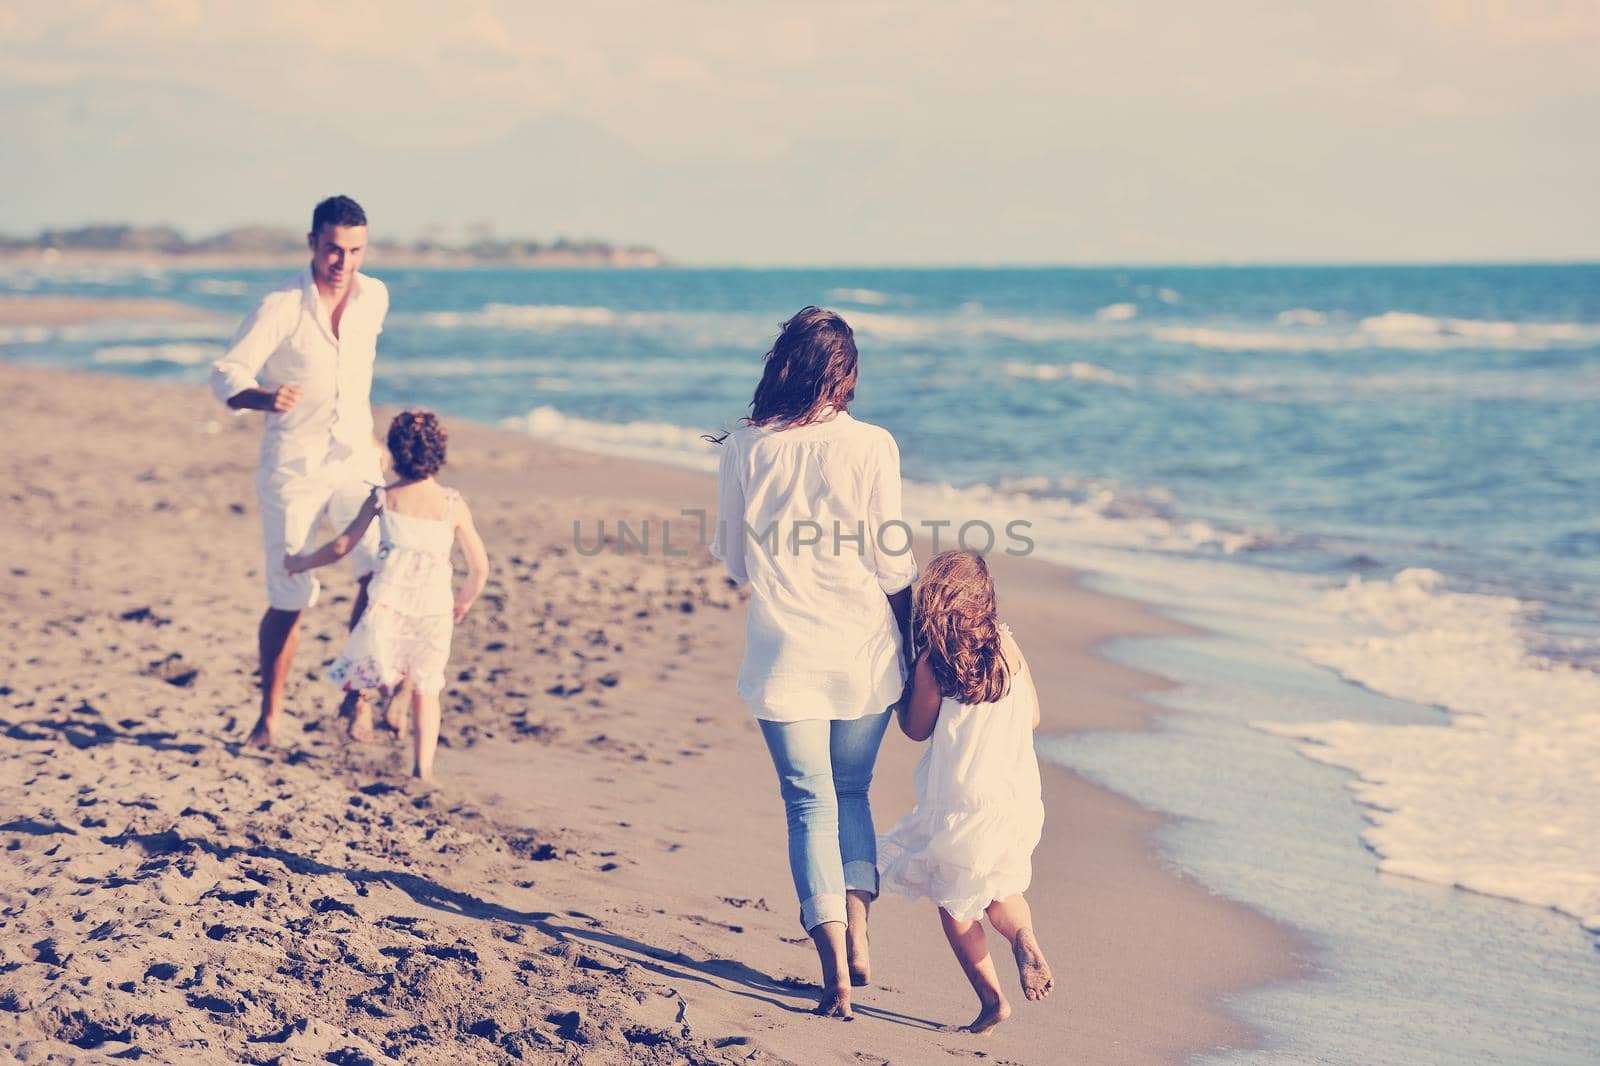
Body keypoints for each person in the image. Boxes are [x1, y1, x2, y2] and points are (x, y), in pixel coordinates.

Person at [711, 306, 917, 1020]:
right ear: (846, 373)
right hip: (862, 648)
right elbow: (892, 563)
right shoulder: (873, 445)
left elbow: (735, 559)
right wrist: (914, 639)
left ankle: (833, 968)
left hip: (784, 650)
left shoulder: (744, 446)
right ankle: (860, 931)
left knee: (808, 803)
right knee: (852, 793)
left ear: (784, 366)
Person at [209, 195, 390, 747]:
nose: (343, 261)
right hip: (294, 465)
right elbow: (226, 372)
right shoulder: (281, 306)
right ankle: (269, 718)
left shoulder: (375, 297)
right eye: (334, 248)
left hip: (355, 457)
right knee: (291, 592)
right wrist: (263, 398)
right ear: (313, 242)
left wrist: (375, 442)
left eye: (355, 250)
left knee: (380, 571)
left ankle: (354, 696)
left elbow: (355, 378)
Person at [876, 550, 1054, 1034]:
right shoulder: (1008, 647)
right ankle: (1022, 937)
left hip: (962, 807)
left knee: (956, 905)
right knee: (1000, 886)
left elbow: (916, 729)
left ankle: (992, 1000)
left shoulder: (936, 662)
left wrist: (900, 692)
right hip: (1016, 801)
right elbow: (1034, 716)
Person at [285, 410, 489, 780]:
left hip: (387, 605)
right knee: (428, 690)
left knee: (375, 660)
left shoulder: (383, 498)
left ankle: (373, 700)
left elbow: (342, 546)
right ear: (440, 455)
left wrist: (301, 563)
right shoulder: (451, 504)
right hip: (433, 612)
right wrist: (464, 601)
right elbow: (480, 567)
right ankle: (422, 770)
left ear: (394, 454)